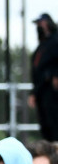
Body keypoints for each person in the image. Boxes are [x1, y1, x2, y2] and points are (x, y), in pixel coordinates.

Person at [31, 13, 58, 141]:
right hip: (41, 90)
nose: (39, 27)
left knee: (54, 123)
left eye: (40, 23)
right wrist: (34, 93)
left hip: (52, 90)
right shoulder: (42, 45)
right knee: (45, 125)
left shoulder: (55, 40)